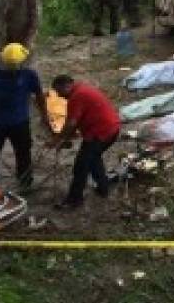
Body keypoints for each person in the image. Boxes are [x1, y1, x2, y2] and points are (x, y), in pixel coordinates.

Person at [0, 42, 49, 191]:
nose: (11, 67)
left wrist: (44, 115)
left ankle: (25, 182)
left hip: (19, 122)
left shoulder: (29, 75)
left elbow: (39, 96)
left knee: (23, 153)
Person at [50, 75, 121, 209]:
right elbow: (76, 122)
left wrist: (58, 139)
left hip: (101, 133)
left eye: (59, 92)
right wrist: (64, 139)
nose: (59, 96)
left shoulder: (77, 97)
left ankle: (74, 200)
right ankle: (103, 187)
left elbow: (71, 124)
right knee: (93, 159)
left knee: (81, 166)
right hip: (112, 129)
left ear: (67, 86)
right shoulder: (82, 89)